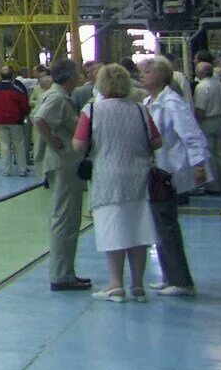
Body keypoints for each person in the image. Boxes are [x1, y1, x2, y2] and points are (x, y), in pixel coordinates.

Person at [72, 63, 159, 302]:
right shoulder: (141, 110)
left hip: (106, 177)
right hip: (139, 177)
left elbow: (79, 145)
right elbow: (156, 141)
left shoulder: (91, 111)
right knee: (139, 230)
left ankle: (115, 284)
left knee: (112, 228)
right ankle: (138, 286)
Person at [140, 56, 208, 297]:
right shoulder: (150, 101)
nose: (142, 75)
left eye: (147, 72)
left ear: (161, 76)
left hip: (168, 171)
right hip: (156, 170)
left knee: (166, 224)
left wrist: (199, 164)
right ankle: (169, 275)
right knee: (159, 224)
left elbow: (191, 133)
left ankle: (182, 281)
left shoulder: (172, 102)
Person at [31, 59, 91, 291]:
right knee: (65, 219)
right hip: (63, 164)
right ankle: (62, 275)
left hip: (64, 164)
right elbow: (40, 119)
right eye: (78, 74)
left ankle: (65, 271)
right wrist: (55, 143)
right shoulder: (57, 97)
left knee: (66, 218)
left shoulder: (58, 95)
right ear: (70, 77)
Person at [192, 62, 221, 195]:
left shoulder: (202, 86)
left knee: (208, 155)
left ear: (202, 72)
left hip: (207, 122)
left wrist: (196, 125)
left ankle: (213, 186)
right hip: (220, 120)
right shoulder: (220, 84)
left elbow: (200, 109)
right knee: (220, 154)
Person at [0, 67, 31, 176]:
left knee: (4, 145)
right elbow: (25, 106)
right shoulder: (17, 89)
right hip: (15, 121)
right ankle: (22, 170)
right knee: (19, 144)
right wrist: (24, 115)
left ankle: (6, 170)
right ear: (12, 76)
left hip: (0, 121)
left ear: (0, 76)